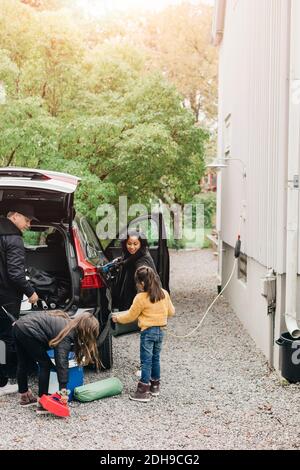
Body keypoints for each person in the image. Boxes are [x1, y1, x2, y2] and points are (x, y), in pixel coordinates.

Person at [12, 310, 100, 414]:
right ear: (86, 330)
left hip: (18, 326)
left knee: (23, 362)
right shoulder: (67, 333)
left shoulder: (68, 323)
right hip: (28, 329)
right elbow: (62, 363)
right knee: (45, 364)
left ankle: (24, 397)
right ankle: (42, 404)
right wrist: (63, 392)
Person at [112, 266, 175, 402]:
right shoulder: (163, 293)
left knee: (146, 361)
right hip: (160, 332)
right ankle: (155, 387)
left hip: (147, 332)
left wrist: (117, 318)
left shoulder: (140, 297)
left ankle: (143, 391)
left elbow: (130, 316)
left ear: (141, 283)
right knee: (155, 359)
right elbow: (171, 312)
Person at [0, 203, 39, 392]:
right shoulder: (13, 239)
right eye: (27, 219)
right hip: (5, 297)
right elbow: (15, 274)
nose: (29, 224)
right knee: (3, 338)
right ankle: (1, 382)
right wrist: (31, 292)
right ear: (14, 216)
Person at [116, 230, 158, 311]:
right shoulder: (130, 255)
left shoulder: (142, 261)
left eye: (135, 244)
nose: (132, 247)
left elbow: (145, 287)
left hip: (141, 302)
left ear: (141, 244)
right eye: (129, 244)